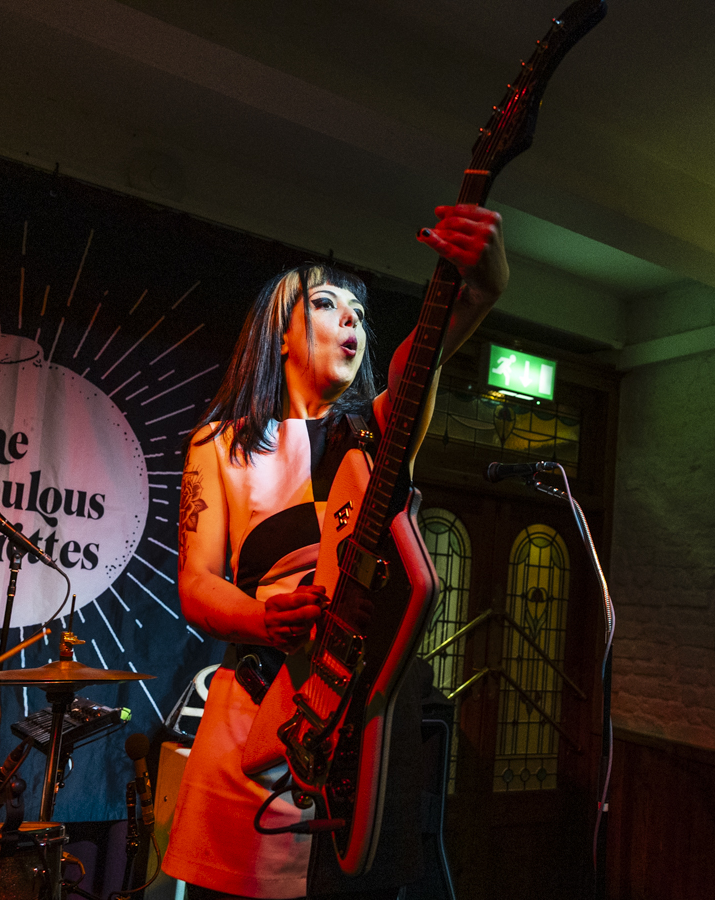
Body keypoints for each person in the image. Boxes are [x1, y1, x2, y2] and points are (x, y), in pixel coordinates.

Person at [164, 205, 508, 900]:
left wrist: (475, 297)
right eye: (326, 304)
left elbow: (421, 360)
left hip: (365, 719)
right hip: (259, 710)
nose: (350, 318)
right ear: (280, 333)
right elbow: (197, 582)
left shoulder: (373, 434)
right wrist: (264, 621)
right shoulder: (222, 444)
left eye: (358, 310)